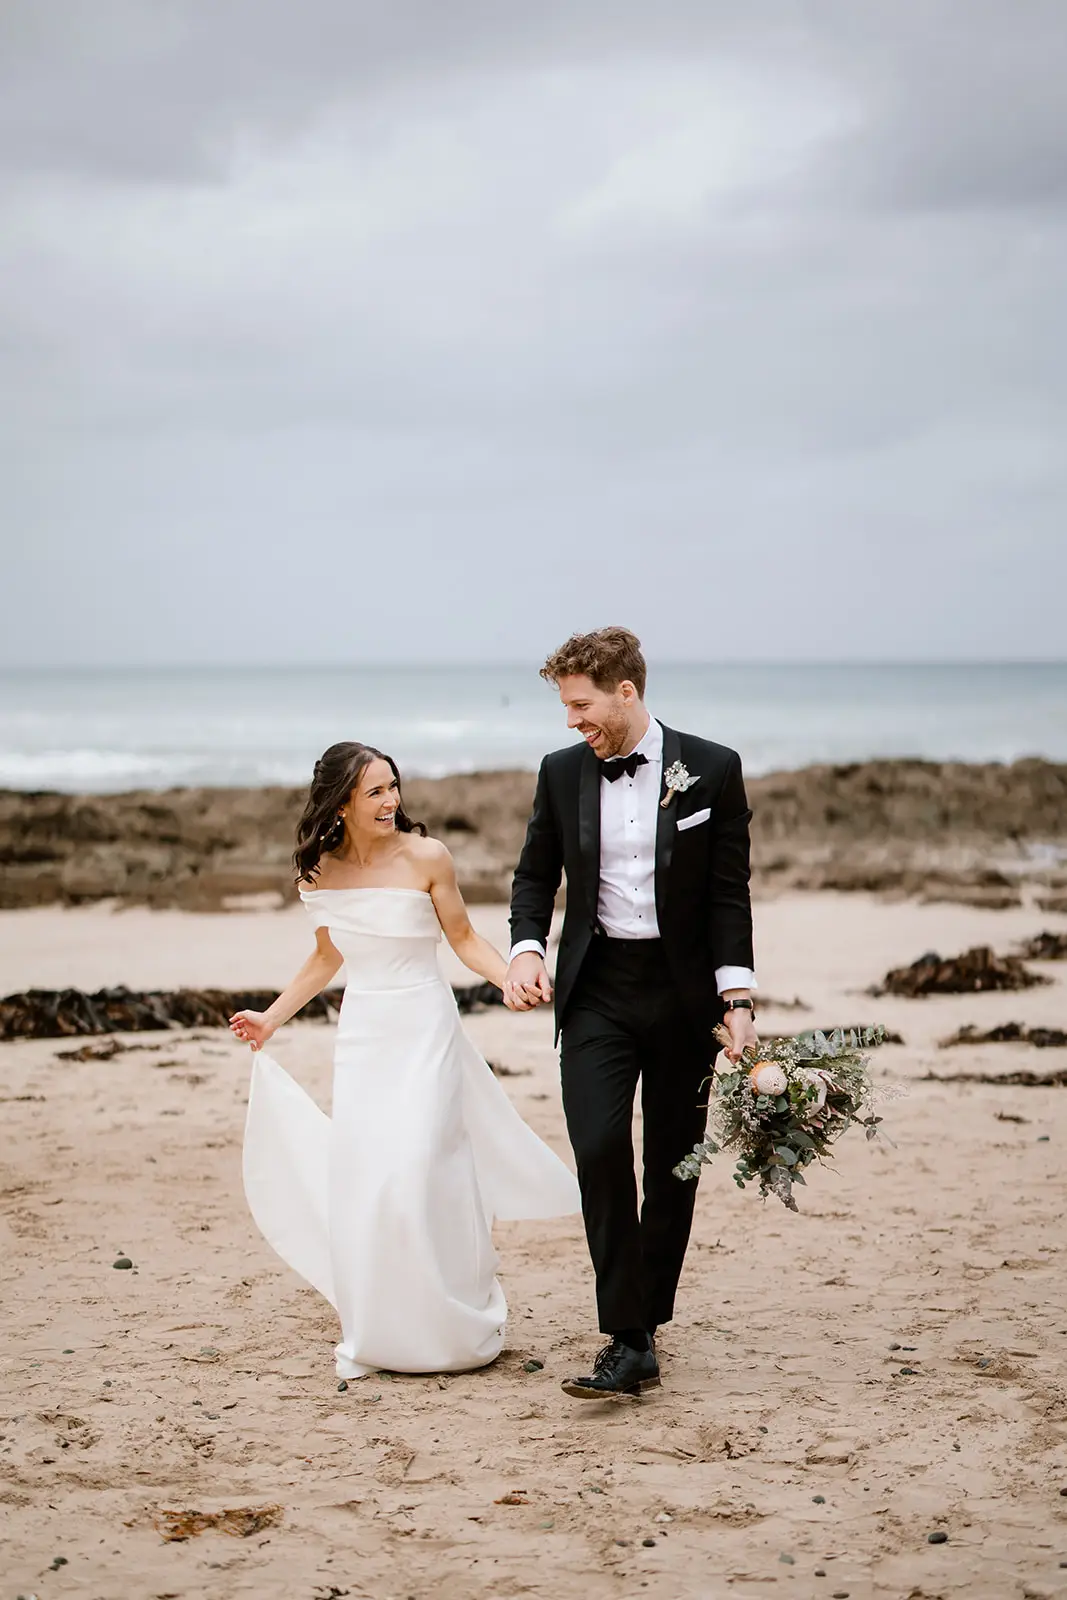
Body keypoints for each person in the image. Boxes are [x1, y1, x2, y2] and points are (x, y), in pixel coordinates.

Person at [231, 741, 579, 1381]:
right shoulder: (319, 875)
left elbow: (465, 939)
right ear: (341, 802)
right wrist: (271, 1017)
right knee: (373, 1184)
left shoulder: (427, 857)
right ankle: (388, 1331)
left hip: (426, 1028)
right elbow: (328, 957)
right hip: (365, 1036)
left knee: (421, 1167)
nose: (391, 801)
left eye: (394, 787)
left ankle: (456, 1323)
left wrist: (509, 980)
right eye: (375, 792)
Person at [504, 627, 758, 1399]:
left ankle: (641, 1329)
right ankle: (625, 1330)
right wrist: (524, 948)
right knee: (599, 1143)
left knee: (672, 1166)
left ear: (625, 692)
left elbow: (726, 893)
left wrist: (737, 997)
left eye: (580, 705)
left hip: (683, 996)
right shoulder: (558, 774)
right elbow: (533, 874)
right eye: (563, 706)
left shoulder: (711, 769)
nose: (569, 721)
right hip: (597, 989)